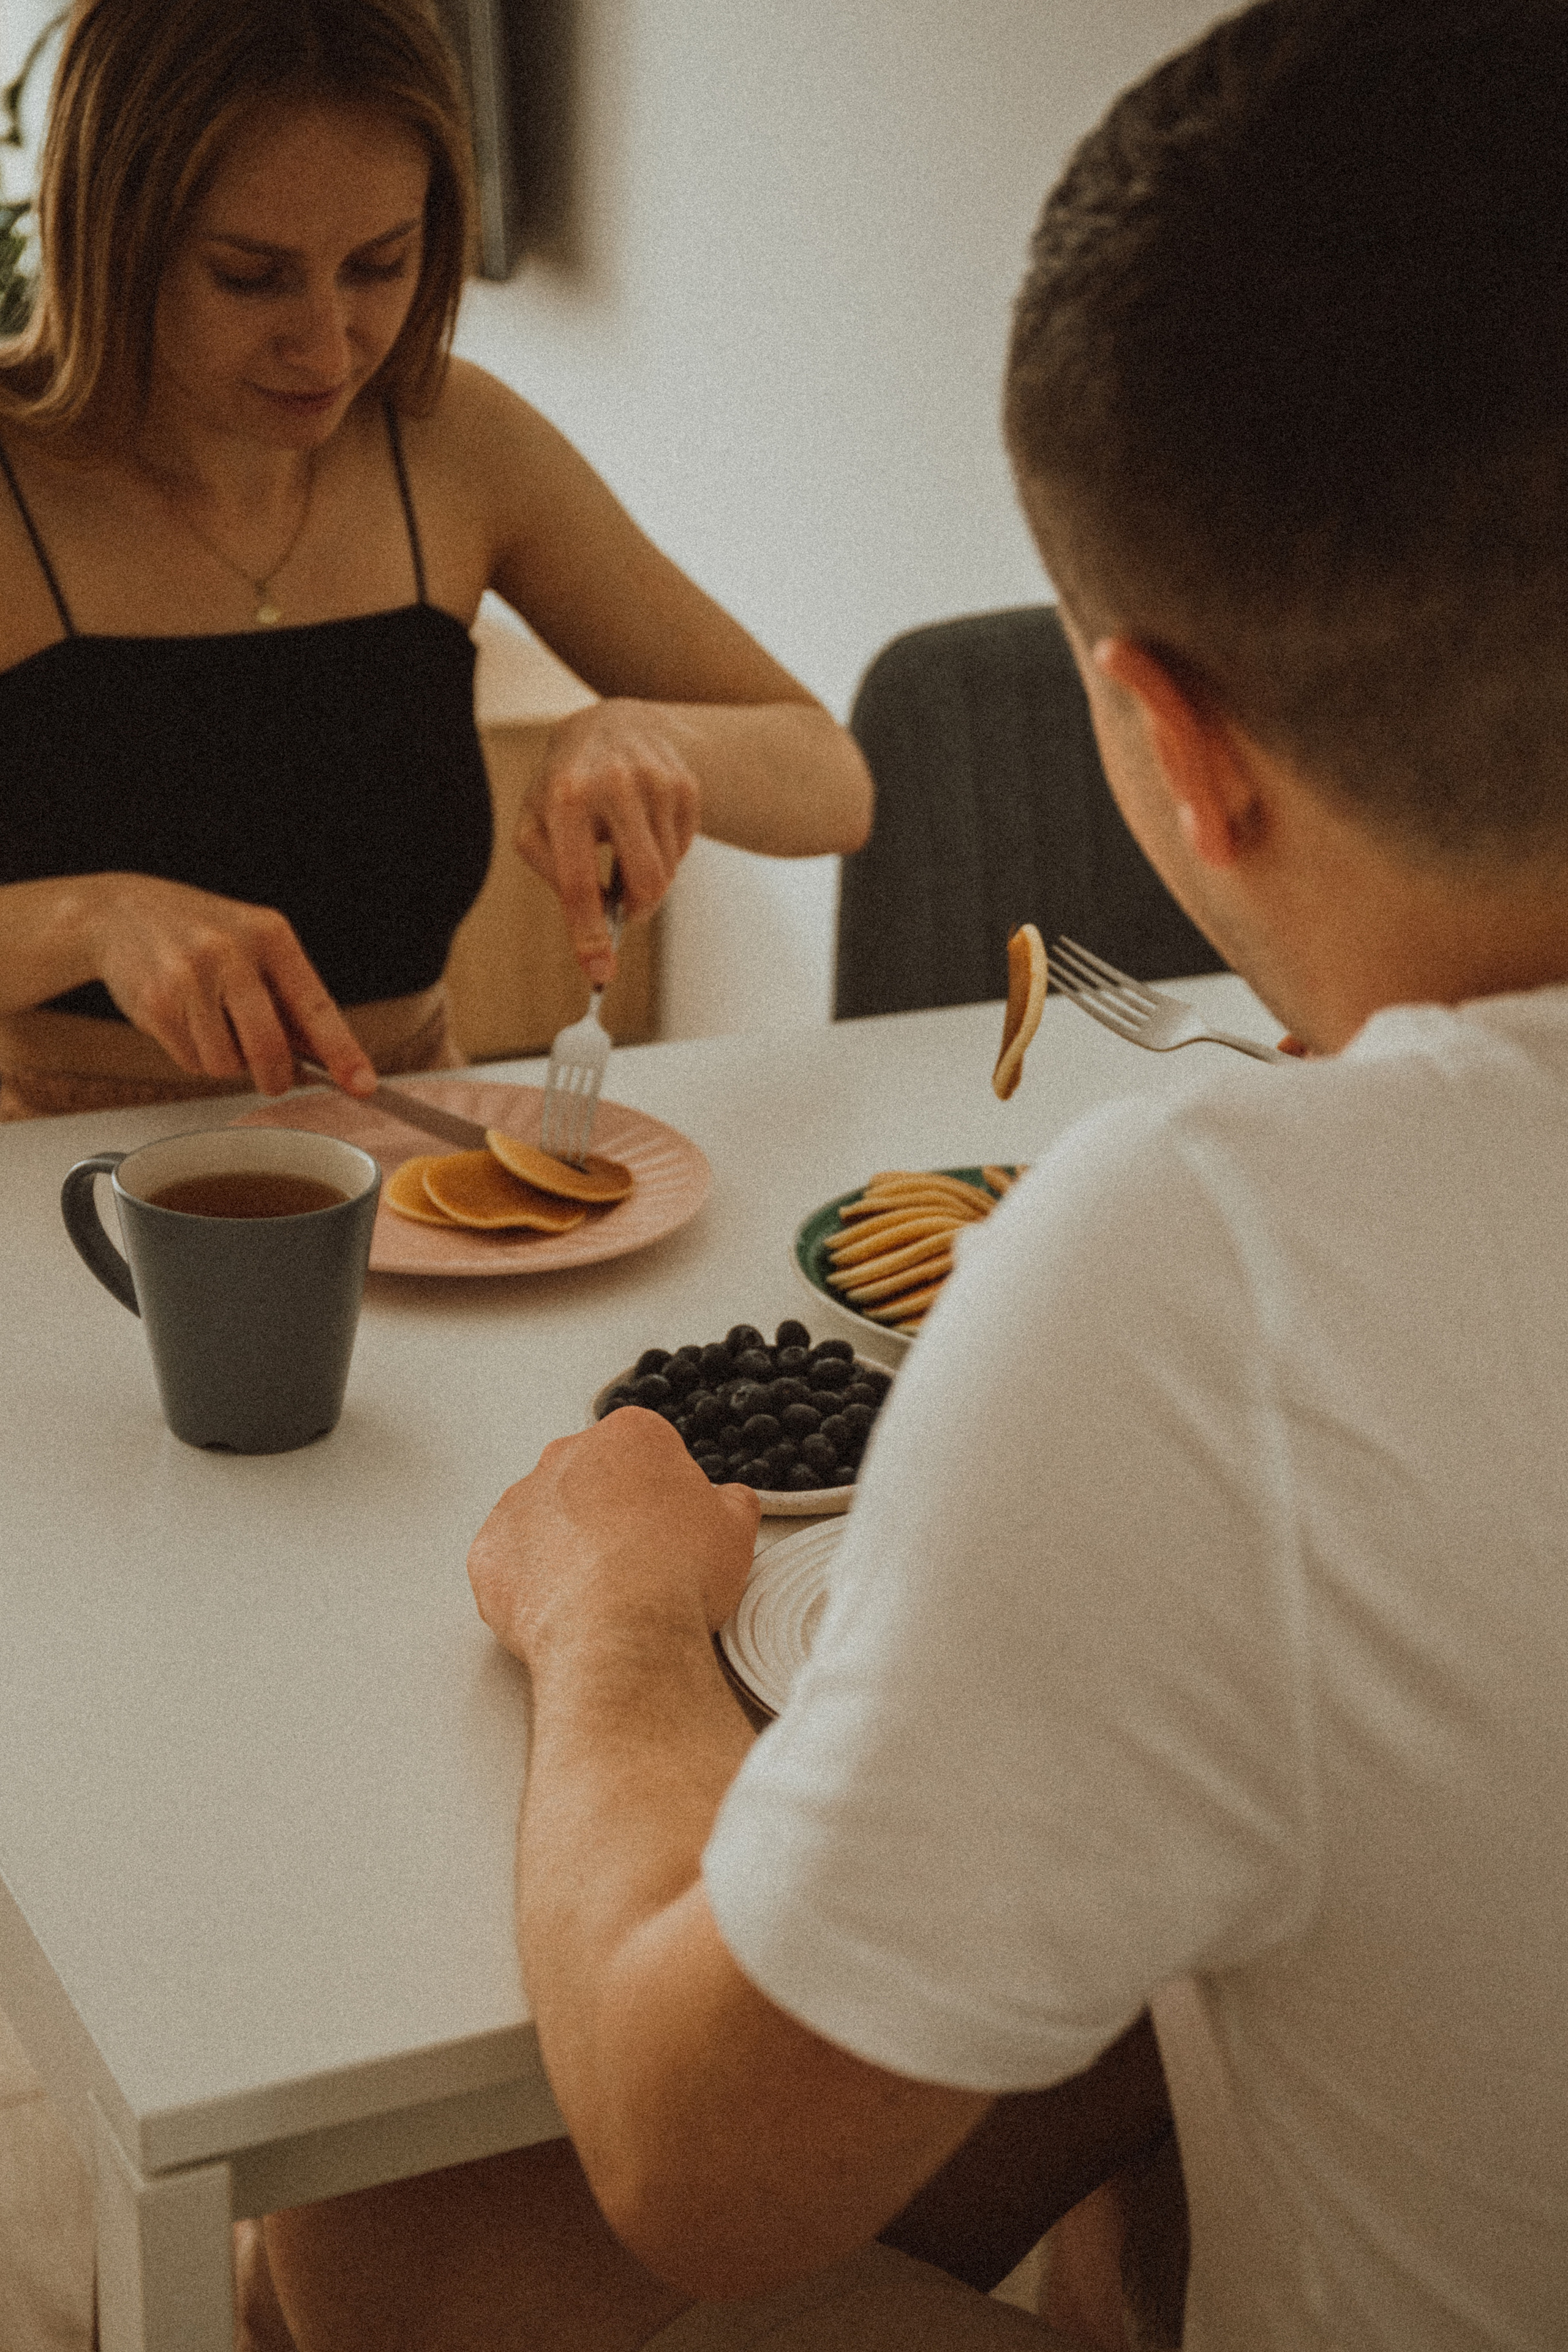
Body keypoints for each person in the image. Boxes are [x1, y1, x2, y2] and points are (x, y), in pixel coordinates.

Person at [246, 0, 1568, 2345]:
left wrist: (613, 1615)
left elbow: (688, 2166)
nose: (321, 331)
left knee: (360, 2241)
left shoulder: (1209, 1273)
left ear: (1163, 743)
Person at [0, 0, 871, 1120]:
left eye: (379, 264)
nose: (327, 344)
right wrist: (91, 919)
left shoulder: (457, 443)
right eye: (248, 275)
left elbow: (834, 786)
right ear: (110, 237)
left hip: (407, 1152)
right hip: (48, 1176)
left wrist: (662, 737)